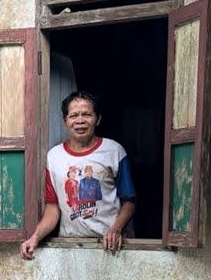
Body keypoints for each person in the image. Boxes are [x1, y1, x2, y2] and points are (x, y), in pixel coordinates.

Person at [20, 91, 136, 259]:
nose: (80, 120)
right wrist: (35, 237)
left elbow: (129, 201)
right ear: (65, 121)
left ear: (98, 119)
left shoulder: (114, 151)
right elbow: (53, 207)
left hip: (109, 245)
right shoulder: (54, 157)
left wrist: (116, 229)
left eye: (87, 114)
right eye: (73, 115)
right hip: (71, 245)